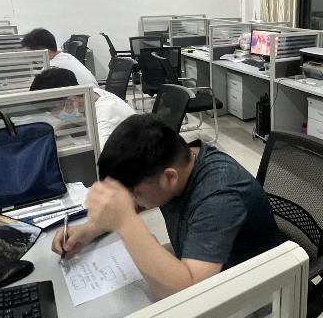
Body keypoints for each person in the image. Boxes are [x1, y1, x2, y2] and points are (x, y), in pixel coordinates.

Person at [51, 115, 280, 298]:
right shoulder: (178, 165)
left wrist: (126, 223)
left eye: (136, 193)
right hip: (205, 267)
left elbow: (191, 294)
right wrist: (89, 230)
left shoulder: (219, 196)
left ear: (169, 178)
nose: (133, 201)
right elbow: (140, 201)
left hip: (255, 291)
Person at [30, 67, 135, 150]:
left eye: (54, 109)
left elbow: (101, 159)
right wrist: (63, 128)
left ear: (70, 100)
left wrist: (71, 144)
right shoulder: (91, 94)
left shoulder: (105, 116)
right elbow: (79, 118)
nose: (54, 115)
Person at [22, 28, 98, 87]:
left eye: (32, 54)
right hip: (95, 98)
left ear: (42, 50)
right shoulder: (66, 57)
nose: (31, 58)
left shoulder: (51, 67)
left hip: (87, 101)